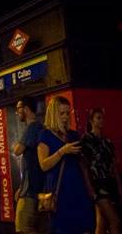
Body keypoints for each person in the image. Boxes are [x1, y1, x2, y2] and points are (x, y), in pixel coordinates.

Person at [37, 96, 94, 234]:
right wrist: (62, 151)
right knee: (64, 228)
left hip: (78, 187)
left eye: (68, 113)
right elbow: (43, 165)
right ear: (53, 114)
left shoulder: (73, 135)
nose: (65, 117)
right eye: (61, 113)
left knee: (85, 226)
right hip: (60, 190)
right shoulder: (45, 135)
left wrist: (90, 188)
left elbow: (83, 165)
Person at [80, 108, 122, 234]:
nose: (101, 121)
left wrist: (119, 188)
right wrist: (90, 188)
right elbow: (84, 166)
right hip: (97, 184)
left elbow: (114, 166)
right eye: (98, 118)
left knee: (101, 223)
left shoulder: (107, 141)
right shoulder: (87, 141)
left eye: (102, 118)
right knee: (114, 220)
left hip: (109, 182)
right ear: (91, 121)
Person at [12, 98, 46, 233]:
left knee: (22, 227)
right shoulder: (40, 127)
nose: (17, 113)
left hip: (31, 191)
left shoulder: (32, 127)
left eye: (18, 109)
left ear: (25, 109)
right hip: (38, 189)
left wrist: (23, 189)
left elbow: (17, 150)